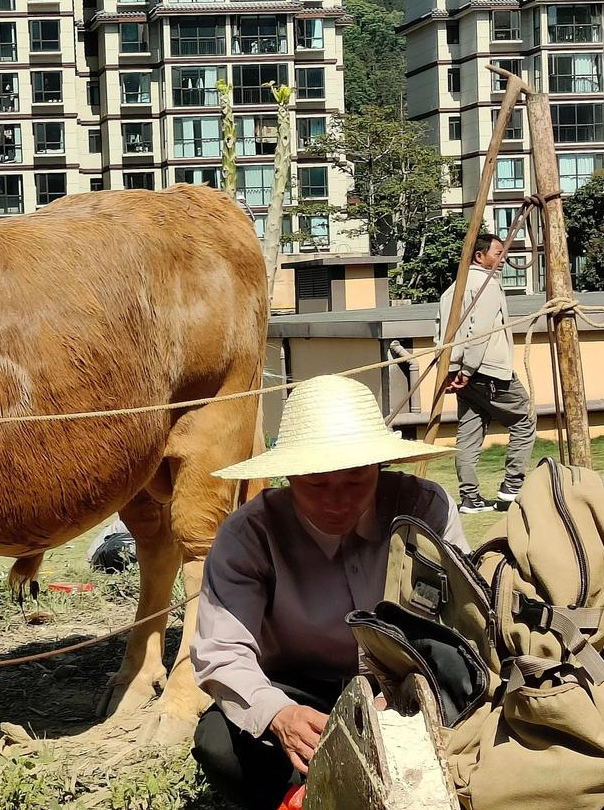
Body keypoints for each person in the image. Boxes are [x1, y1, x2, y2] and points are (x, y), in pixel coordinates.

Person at [190, 374, 468, 808]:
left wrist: (401, 692)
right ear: (287, 475)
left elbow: (458, 622)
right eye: (316, 484)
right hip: (298, 687)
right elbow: (222, 651)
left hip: (405, 681)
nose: (336, 501)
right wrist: (279, 715)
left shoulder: (423, 509)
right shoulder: (250, 534)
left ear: (380, 466)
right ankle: (294, 796)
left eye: (357, 481)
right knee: (220, 742)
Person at [435, 233, 538, 514]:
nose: (503, 258)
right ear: (479, 256)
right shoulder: (486, 286)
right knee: (525, 418)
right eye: (497, 253)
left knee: (469, 433)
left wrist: (451, 369)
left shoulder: (452, 289)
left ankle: (470, 498)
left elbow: (441, 332)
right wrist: (467, 370)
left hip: (461, 372)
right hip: (486, 370)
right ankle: (511, 488)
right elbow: (479, 332)